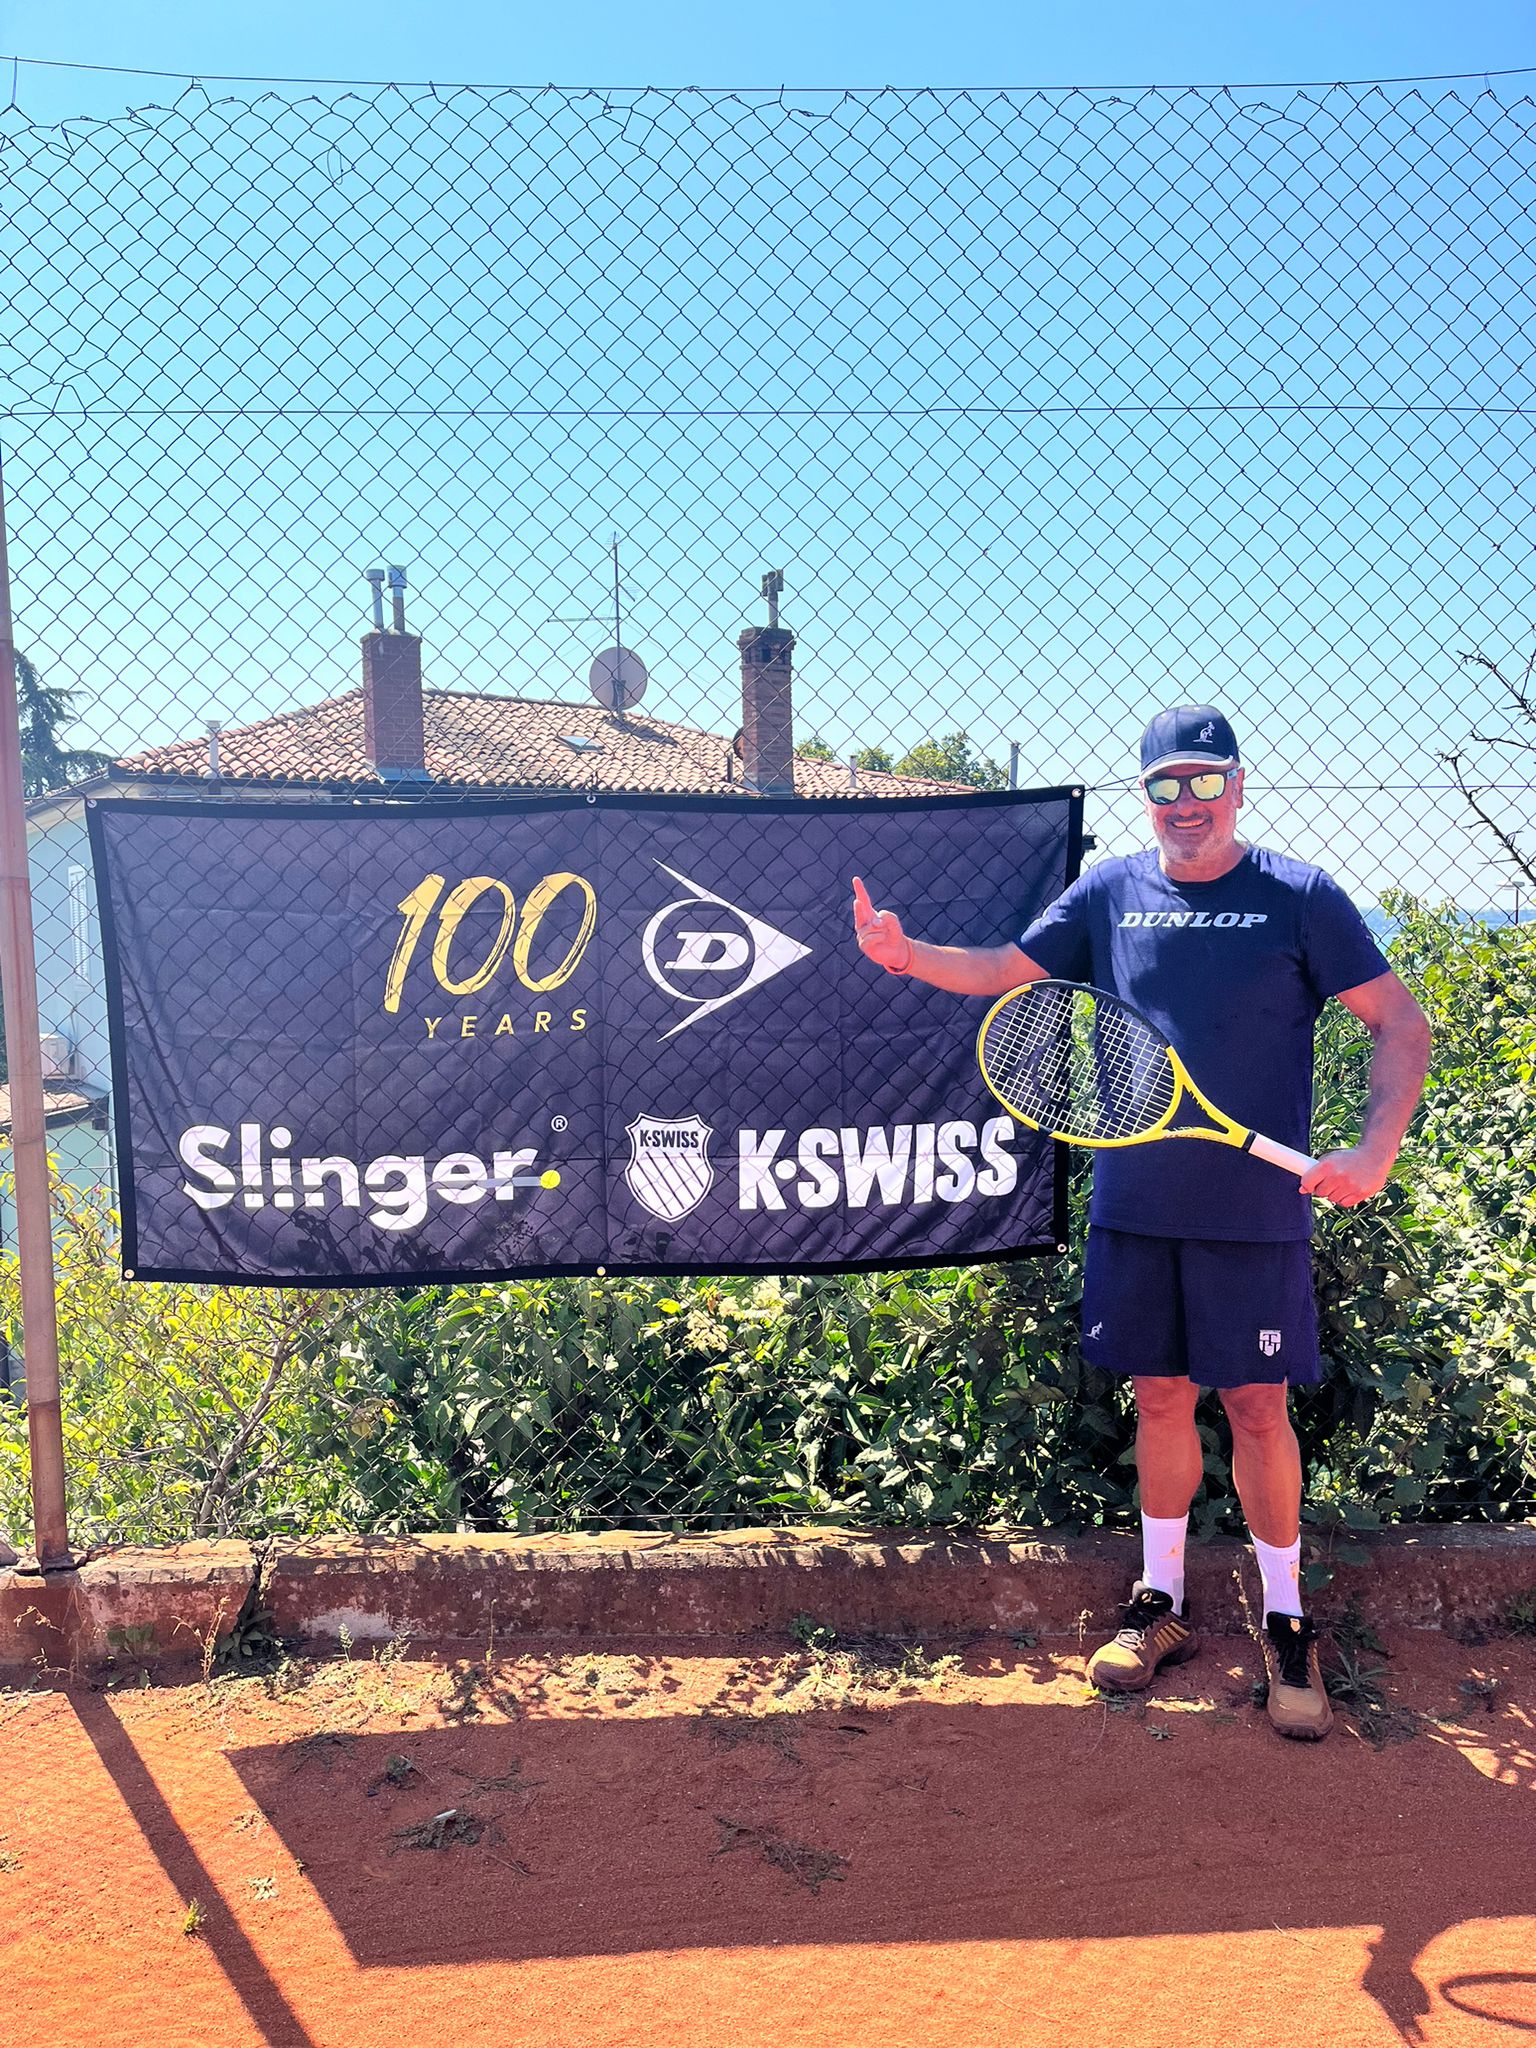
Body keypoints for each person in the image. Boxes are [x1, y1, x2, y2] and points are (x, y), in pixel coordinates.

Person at [852, 706, 1430, 1740]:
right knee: (1160, 1396)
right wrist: (905, 956)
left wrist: (1374, 1149)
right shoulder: (1109, 892)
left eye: (1204, 780)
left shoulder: (1300, 895)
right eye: (1166, 784)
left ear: (1238, 786)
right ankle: (1160, 1601)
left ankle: (1287, 1619)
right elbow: (1001, 971)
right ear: (1147, 796)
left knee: (1257, 1407)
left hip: (1255, 1212)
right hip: (1137, 1204)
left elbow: (1400, 1021)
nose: (1185, 802)